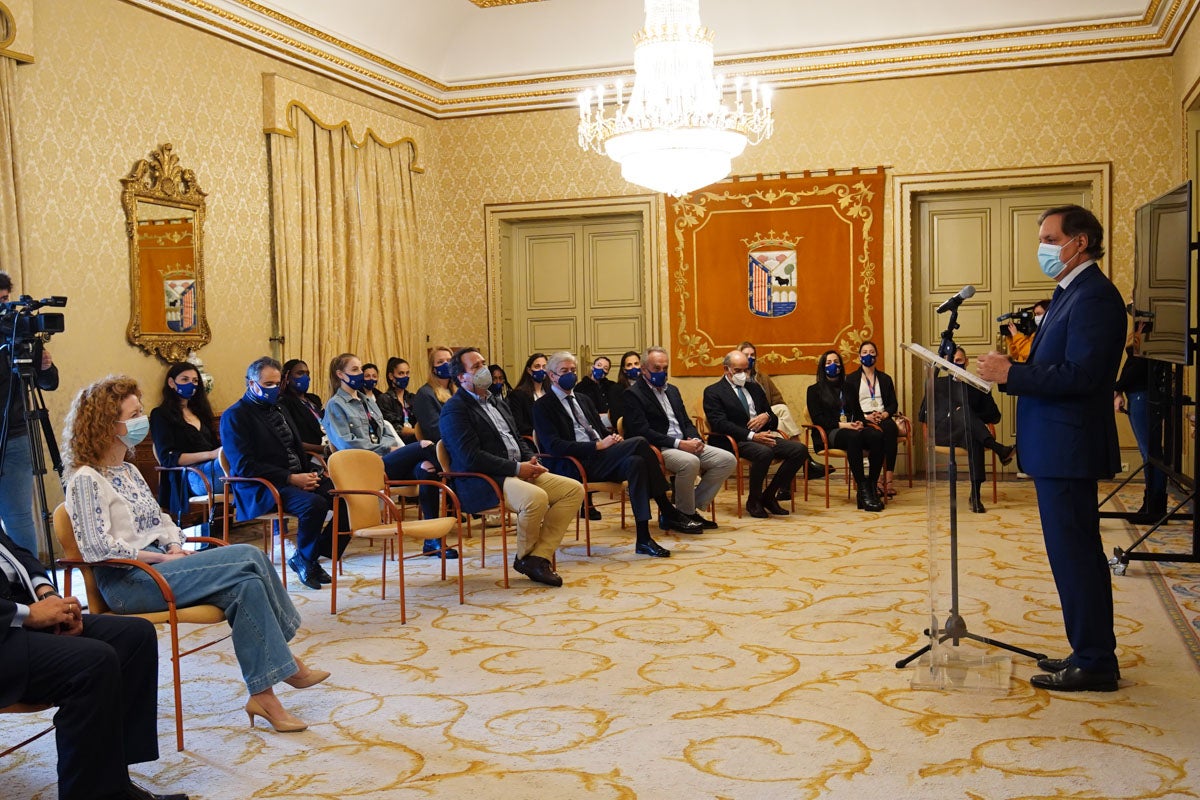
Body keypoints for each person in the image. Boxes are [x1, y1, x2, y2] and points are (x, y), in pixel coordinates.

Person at [62, 375, 330, 735]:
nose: (142, 421)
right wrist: (160, 558)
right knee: (248, 556)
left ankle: (264, 697)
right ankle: (289, 662)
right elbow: (97, 548)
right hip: (129, 581)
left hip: (161, 565)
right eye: (135, 414)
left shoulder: (127, 469)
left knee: (246, 587)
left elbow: (161, 518)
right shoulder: (86, 478)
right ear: (108, 425)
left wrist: (173, 542)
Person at [977, 204, 1125, 692]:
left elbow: (1083, 376)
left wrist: (1011, 375)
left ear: (1078, 241)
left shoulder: (1095, 296)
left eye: (1049, 237)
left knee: (1076, 553)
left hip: (1070, 447)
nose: (1042, 247)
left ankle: (1096, 661)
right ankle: (1088, 650)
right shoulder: (1070, 293)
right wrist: (1015, 362)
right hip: (1057, 445)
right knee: (1070, 553)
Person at [1, 526, 188, 800]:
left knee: (134, 636)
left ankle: (113, 782)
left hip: (16, 618)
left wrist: (48, 597)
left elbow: (16, 554)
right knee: (93, 661)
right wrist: (28, 615)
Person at [533, 351, 702, 557]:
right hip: (575, 464)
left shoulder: (584, 399)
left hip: (601, 459)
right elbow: (553, 446)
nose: (570, 375)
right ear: (551, 375)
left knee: (636, 462)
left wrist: (613, 439)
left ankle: (644, 539)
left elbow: (599, 431)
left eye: (573, 370)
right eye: (564, 371)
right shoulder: (543, 406)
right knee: (640, 442)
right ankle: (667, 508)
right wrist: (598, 446)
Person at [440, 347, 584, 587]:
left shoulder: (496, 401)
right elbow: (469, 458)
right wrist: (516, 469)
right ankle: (526, 557)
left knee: (573, 490)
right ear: (461, 377)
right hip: (483, 479)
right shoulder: (455, 409)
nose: (484, 369)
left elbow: (517, 438)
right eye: (476, 367)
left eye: (483, 363)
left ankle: (537, 557)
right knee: (536, 498)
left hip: (516, 470)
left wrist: (531, 460)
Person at [220, 356, 346, 590]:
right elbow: (244, 466)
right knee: (314, 505)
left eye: (277, 384)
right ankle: (308, 559)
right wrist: (290, 478)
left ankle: (308, 556)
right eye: (267, 384)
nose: (273, 389)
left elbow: (293, 449)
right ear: (251, 384)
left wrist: (310, 474)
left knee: (345, 497)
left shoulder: (280, 408)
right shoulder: (235, 415)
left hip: (295, 478)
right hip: (262, 486)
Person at [322, 353, 456, 558]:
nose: (361, 374)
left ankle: (432, 541)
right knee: (424, 445)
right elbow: (347, 444)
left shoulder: (368, 400)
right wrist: (386, 449)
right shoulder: (335, 405)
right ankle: (461, 476)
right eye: (355, 370)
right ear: (341, 374)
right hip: (363, 468)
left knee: (426, 468)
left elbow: (386, 432)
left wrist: (388, 447)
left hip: (384, 462)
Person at [621, 346, 736, 529]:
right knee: (689, 462)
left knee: (727, 460)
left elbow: (685, 421)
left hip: (685, 443)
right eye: (656, 369)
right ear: (644, 369)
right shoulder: (632, 394)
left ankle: (686, 509)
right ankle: (682, 515)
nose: (662, 373)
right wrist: (679, 443)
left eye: (665, 368)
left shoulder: (672, 390)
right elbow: (642, 431)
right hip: (659, 448)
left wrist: (695, 438)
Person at [704, 350, 812, 518]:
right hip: (736, 440)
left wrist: (766, 416)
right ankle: (754, 500)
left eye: (746, 370)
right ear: (726, 369)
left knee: (799, 450)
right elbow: (720, 424)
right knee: (764, 453)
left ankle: (769, 496)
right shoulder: (713, 392)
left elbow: (773, 418)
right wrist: (752, 436)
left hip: (763, 437)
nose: (743, 374)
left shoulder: (754, 388)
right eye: (738, 370)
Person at [0, 271, 59, 556]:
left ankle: (34, 582)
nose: (4, 307)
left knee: (19, 515)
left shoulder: (19, 332)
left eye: (5, 299)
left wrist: (44, 365)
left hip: (16, 434)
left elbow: (48, 383)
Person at [917, 347, 1014, 513]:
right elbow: (923, 415)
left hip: (967, 432)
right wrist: (953, 413)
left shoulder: (977, 385)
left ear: (967, 362)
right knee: (965, 415)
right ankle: (998, 448)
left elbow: (994, 416)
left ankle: (975, 496)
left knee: (972, 434)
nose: (955, 364)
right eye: (952, 360)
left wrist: (969, 412)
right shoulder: (936, 384)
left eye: (959, 360)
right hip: (944, 432)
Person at [805, 350, 885, 512]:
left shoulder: (849, 387)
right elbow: (819, 419)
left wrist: (859, 423)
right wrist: (846, 426)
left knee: (877, 435)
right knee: (853, 437)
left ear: (841, 366)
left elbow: (858, 412)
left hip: (853, 429)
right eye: (828, 363)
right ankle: (863, 489)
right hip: (830, 433)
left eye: (836, 362)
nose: (833, 365)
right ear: (822, 367)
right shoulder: (814, 390)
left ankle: (871, 485)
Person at [148, 362, 221, 528]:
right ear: (171, 382)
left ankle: (274, 527)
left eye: (195, 381)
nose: (191, 384)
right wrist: (210, 455)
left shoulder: (201, 413)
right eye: (185, 379)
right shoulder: (160, 414)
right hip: (190, 476)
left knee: (249, 461)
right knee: (245, 471)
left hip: (213, 470)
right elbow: (168, 458)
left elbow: (216, 448)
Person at [1114, 321, 1168, 523]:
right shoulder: (1141, 328)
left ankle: (1154, 506)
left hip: (1143, 395)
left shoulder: (1150, 330)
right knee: (1150, 452)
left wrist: (1116, 388)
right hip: (1139, 394)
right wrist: (1119, 389)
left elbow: (1137, 367)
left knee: (1151, 453)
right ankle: (1153, 504)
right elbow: (1131, 366)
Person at [842, 340, 902, 498]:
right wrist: (866, 417)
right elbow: (848, 406)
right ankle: (873, 481)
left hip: (882, 415)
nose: (868, 355)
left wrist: (883, 414)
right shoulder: (851, 379)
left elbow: (893, 404)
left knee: (890, 429)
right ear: (859, 356)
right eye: (865, 353)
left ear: (877, 356)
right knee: (874, 436)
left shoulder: (885, 378)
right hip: (863, 417)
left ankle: (888, 479)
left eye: (872, 352)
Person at [737, 341, 801, 438]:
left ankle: (788, 440)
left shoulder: (763, 378)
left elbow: (778, 400)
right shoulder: (734, 378)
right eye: (746, 355)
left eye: (752, 355)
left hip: (767, 414)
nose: (750, 358)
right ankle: (795, 440)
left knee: (782, 409)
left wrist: (767, 414)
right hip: (749, 415)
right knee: (782, 414)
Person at [278, 358, 326, 457]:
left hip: (327, 446)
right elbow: (292, 441)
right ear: (287, 377)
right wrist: (324, 449)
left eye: (307, 374)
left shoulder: (314, 399)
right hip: (310, 455)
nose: (305, 377)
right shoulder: (284, 402)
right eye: (300, 373)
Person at [412, 346, 456, 443]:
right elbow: (435, 432)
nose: (446, 364)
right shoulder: (424, 394)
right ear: (433, 369)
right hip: (446, 446)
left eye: (449, 361)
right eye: (440, 362)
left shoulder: (458, 391)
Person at [376, 356, 418, 444]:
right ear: (391, 376)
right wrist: (418, 433)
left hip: (416, 440)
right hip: (396, 443)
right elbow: (395, 428)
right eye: (401, 373)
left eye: (407, 373)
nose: (405, 377)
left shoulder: (412, 397)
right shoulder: (384, 399)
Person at [507, 352, 550, 437]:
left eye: (544, 367)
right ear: (529, 370)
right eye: (537, 366)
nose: (541, 370)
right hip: (532, 438)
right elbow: (519, 425)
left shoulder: (550, 392)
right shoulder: (518, 395)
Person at [576, 355, 619, 432]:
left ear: (607, 372)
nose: (601, 369)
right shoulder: (581, 387)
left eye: (605, 368)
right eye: (599, 365)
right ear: (593, 367)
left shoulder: (612, 386)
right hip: (591, 425)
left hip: (611, 424)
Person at [609, 350, 641, 430]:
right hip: (631, 429)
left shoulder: (649, 386)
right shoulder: (616, 389)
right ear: (624, 370)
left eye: (636, 364)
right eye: (629, 365)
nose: (633, 367)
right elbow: (617, 418)